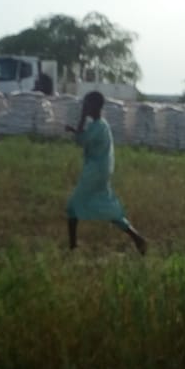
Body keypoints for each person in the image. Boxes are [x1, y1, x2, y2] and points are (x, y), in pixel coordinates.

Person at [65, 91, 147, 254]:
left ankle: (73, 248)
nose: (84, 107)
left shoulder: (98, 126)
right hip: (100, 171)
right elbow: (84, 138)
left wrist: (81, 119)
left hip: (95, 172)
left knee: (73, 206)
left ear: (95, 106)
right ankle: (138, 239)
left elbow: (81, 140)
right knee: (107, 207)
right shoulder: (101, 125)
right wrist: (75, 130)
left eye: (87, 104)